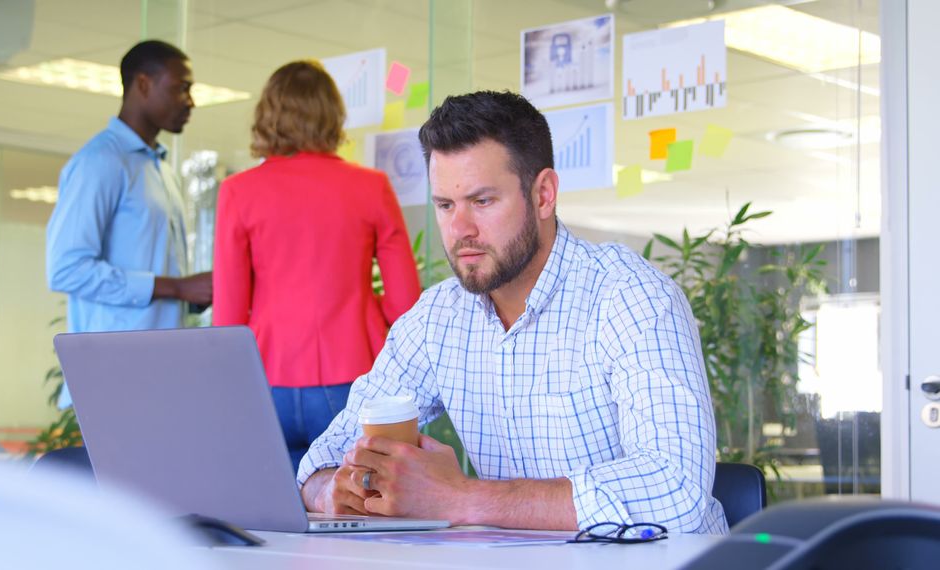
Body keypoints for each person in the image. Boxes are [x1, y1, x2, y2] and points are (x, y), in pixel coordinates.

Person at [298, 91, 729, 534]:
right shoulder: (438, 317)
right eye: (445, 205)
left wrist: (459, 498)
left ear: (543, 195)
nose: (460, 229)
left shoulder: (631, 298)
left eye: (482, 201)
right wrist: (332, 488)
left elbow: (677, 491)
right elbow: (327, 452)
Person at [212, 60, 421, 470]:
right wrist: (362, 312)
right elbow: (405, 303)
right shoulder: (371, 186)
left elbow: (229, 314)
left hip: (266, 376)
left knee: (276, 510)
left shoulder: (238, 192)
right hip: (351, 374)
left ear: (267, 116)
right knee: (352, 506)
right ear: (333, 115)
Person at [47, 40, 211, 407]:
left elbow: (157, 277)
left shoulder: (159, 170)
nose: (190, 101)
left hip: (157, 372)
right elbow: (66, 269)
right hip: (112, 376)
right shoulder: (101, 161)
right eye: (180, 88)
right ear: (142, 85)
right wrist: (177, 288)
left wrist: (193, 294)